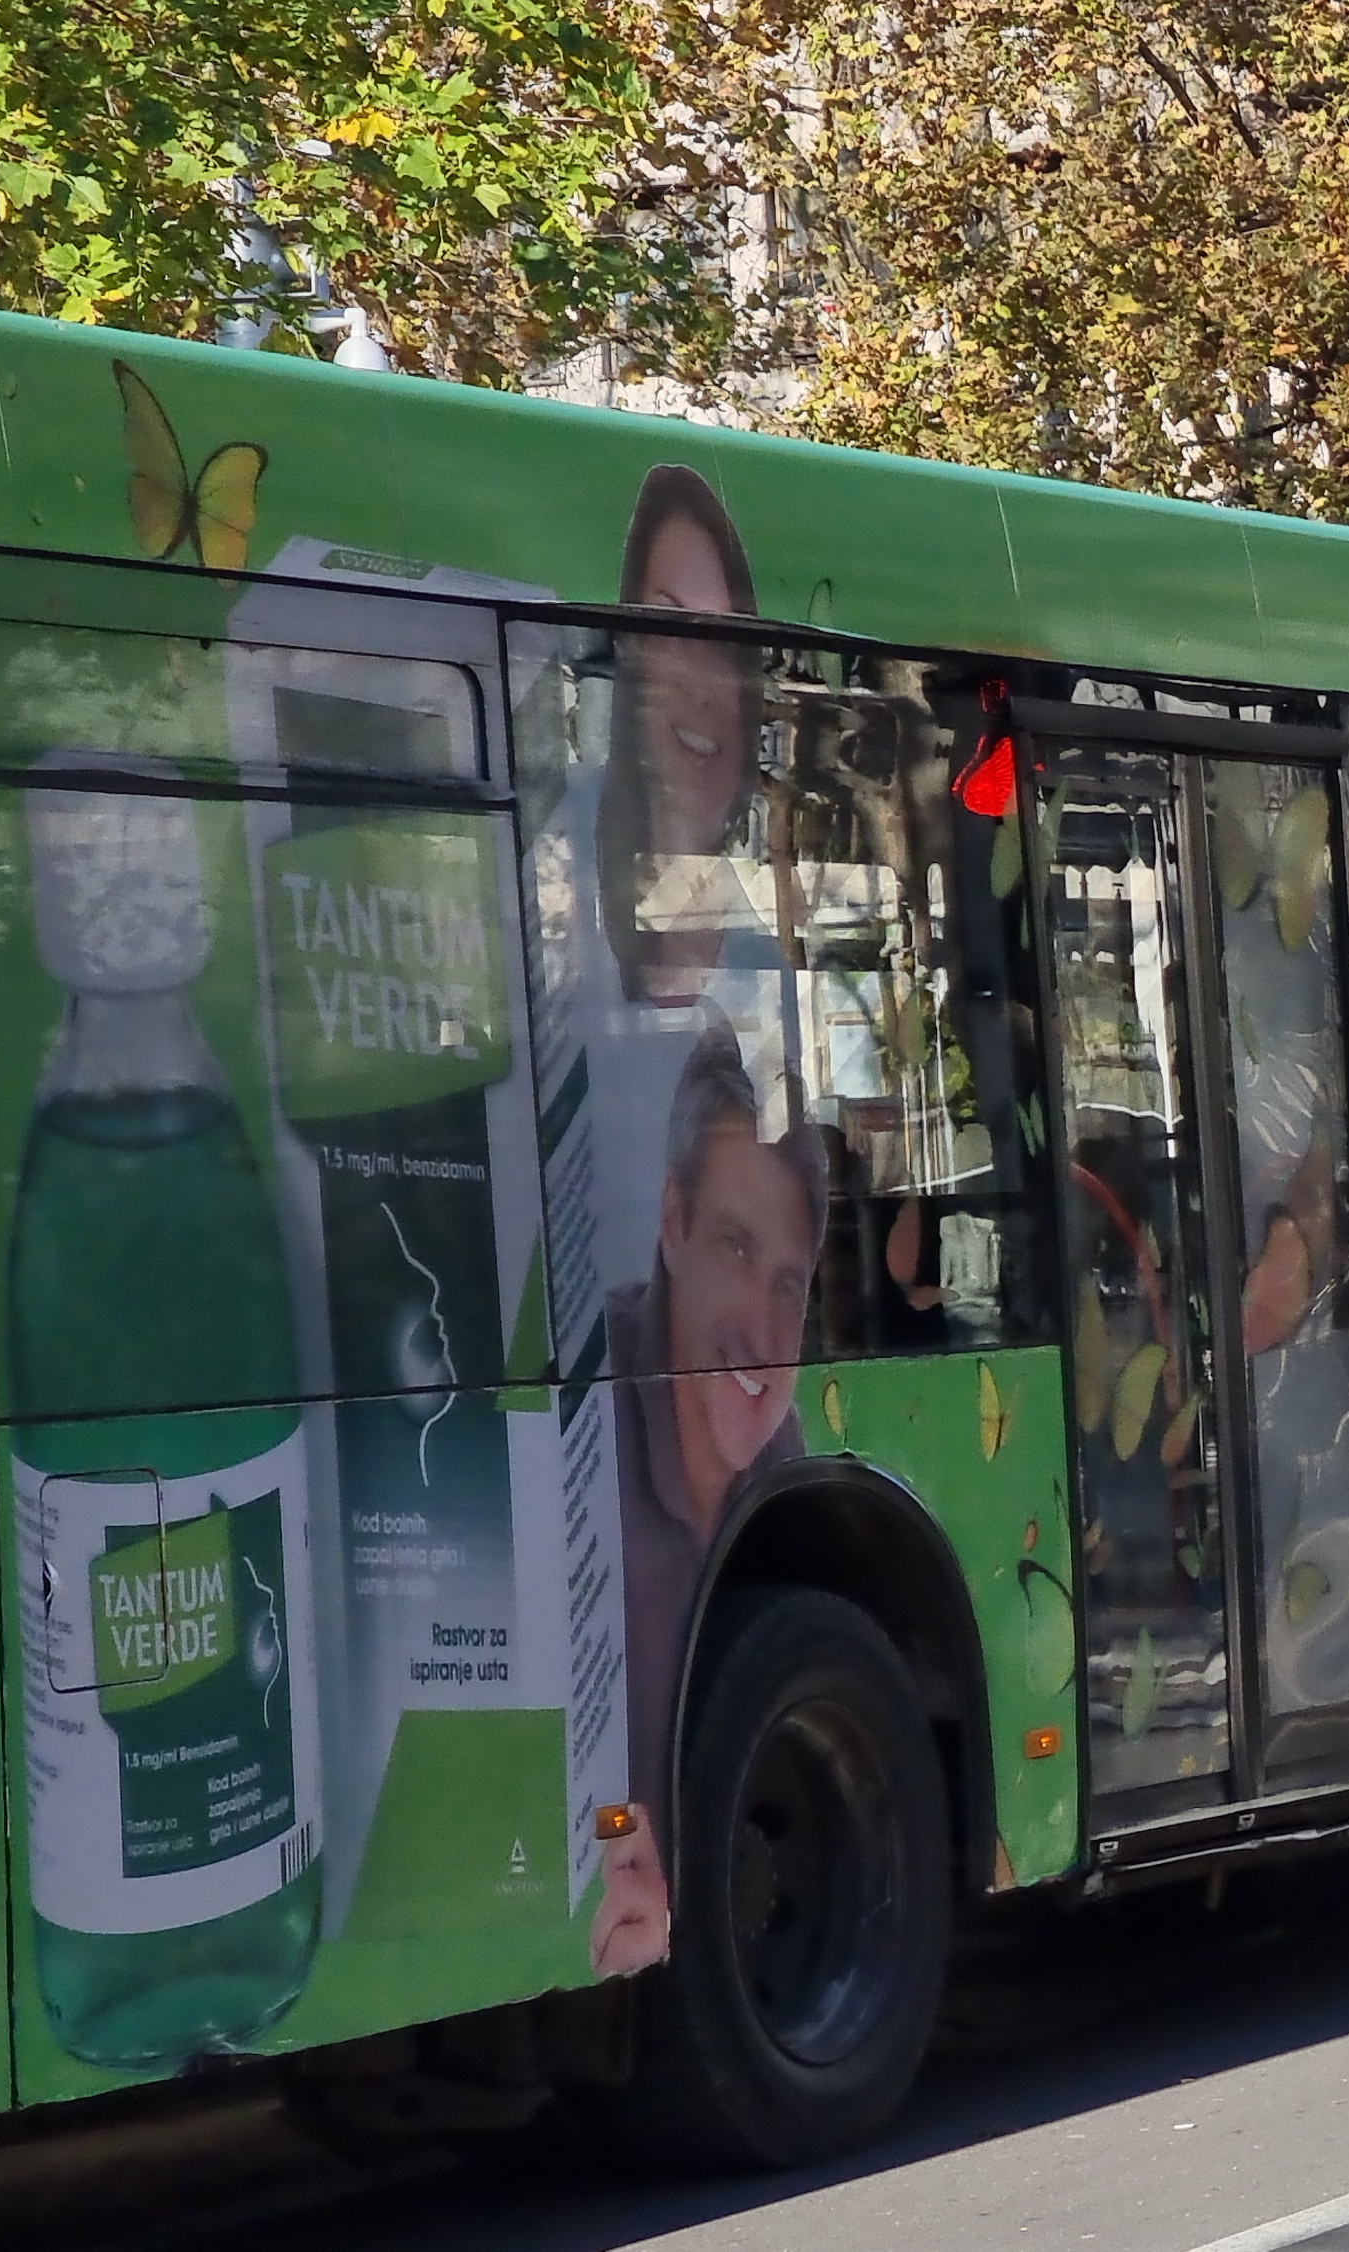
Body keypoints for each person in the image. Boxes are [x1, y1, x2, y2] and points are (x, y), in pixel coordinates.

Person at [590, 1017, 826, 1979]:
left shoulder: (786, 1465)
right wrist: (595, 1853)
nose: (763, 1332)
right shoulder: (576, 1426)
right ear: (671, 1223)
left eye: (790, 1283)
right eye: (734, 1248)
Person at [594, 466, 766, 1006]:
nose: (702, 681)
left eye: (726, 643)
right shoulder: (558, 863)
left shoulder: (774, 958)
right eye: (669, 628)